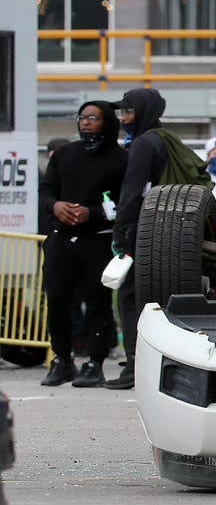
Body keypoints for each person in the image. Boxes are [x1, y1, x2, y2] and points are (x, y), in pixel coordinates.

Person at [37, 102, 126, 387]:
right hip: (61, 238)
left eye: (93, 118)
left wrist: (94, 212)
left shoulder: (121, 159)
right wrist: (56, 205)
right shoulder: (64, 154)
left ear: (107, 123)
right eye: (82, 117)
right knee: (58, 299)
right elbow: (46, 190)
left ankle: (94, 363)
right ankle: (62, 359)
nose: (86, 123)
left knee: (97, 302)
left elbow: (126, 199)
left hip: (98, 240)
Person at [105, 89, 172, 390]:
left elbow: (131, 193)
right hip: (165, 230)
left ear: (143, 112)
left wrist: (120, 234)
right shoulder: (163, 138)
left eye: (128, 112)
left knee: (130, 297)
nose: (123, 118)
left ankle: (134, 365)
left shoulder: (144, 144)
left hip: (141, 231)